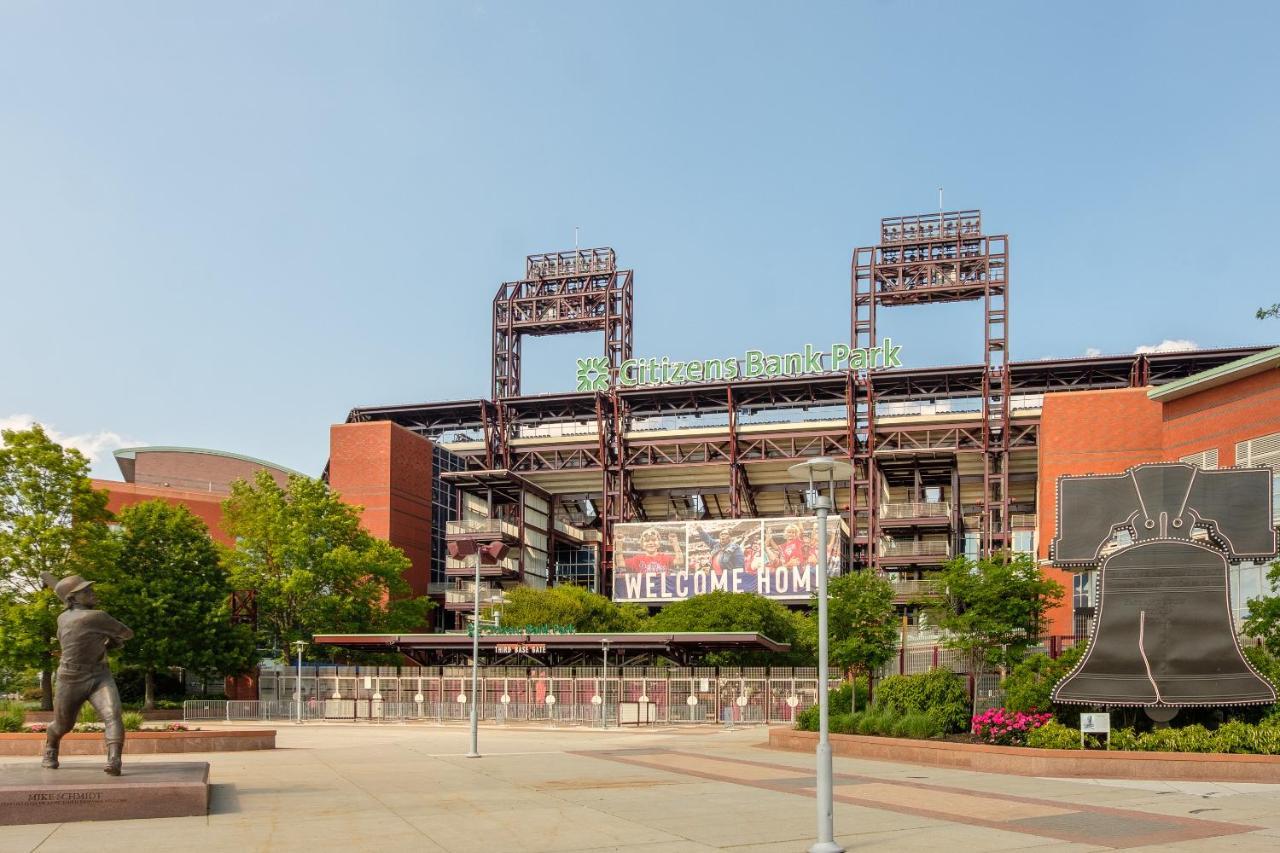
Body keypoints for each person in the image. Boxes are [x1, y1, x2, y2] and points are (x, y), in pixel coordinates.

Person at [39, 573, 133, 776]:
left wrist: (105, 640)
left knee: (112, 714)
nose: (92, 592)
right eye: (86, 591)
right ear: (72, 598)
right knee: (63, 724)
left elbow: (77, 639)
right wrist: (112, 638)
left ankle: (114, 759)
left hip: (99, 676)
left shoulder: (63, 617)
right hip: (71, 679)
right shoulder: (97, 617)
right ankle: (51, 746)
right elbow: (127, 633)